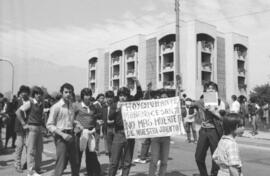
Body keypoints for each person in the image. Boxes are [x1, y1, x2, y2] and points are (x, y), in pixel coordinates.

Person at [46, 83, 83, 176]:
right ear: (61, 93)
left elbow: (69, 120)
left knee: (75, 161)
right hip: (61, 137)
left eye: (70, 92)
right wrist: (62, 134)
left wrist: (77, 124)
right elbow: (49, 124)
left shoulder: (71, 106)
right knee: (61, 162)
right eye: (66, 92)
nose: (68, 94)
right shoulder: (56, 107)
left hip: (71, 135)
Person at [108, 78, 143, 176]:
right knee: (114, 162)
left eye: (124, 95)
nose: (122, 97)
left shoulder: (131, 104)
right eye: (121, 95)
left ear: (128, 96)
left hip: (130, 134)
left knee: (127, 162)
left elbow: (139, 95)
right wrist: (117, 109)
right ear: (118, 96)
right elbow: (110, 117)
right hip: (118, 134)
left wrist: (137, 83)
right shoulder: (115, 105)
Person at [194, 81, 226, 176]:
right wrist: (188, 103)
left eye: (213, 88)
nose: (210, 89)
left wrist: (214, 112)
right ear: (205, 90)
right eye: (208, 88)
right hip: (203, 131)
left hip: (215, 131)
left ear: (216, 91)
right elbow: (191, 103)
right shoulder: (201, 101)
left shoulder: (220, 102)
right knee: (198, 157)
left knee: (215, 157)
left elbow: (224, 118)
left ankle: (214, 174)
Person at [16, 86, 44, 176]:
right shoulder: (30, 103)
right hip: (32, 128)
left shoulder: (41, 103)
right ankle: (30, 171)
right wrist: (23, 124)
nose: (39, 95)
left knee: (39, 150)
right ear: (34, 94)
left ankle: (37, 168)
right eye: (37, 93)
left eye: (40, 94)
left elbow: (41, 117)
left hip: (39, 128)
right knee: (31, 150)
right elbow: (18, 112)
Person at [74, 88, 101, 176]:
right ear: (82, 96)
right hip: (80, 133)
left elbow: (96, 118)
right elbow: (71, 118)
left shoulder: (93, 106)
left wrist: (97, 123)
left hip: (90, 132)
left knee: (91, 154)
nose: (88, 97)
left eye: (89, 94)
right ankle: (75, 173)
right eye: (86, 95)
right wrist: (77, 125)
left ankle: (92, 173)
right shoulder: (76, 106)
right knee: (78, 155)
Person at [148, 89, 171, 176]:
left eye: (165, 97)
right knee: (154, 160)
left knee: (164, 161)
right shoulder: (154, 107)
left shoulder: (172, 108)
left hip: (166, 137)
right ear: (158, 98)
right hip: (155, 137)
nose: (163, 99)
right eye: (162, 97)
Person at [14, 85, 31, 173]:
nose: (24, 93)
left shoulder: (31, 102)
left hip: (28, 127)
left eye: (26, 92)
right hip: (19, 126)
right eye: (22, 92)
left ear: (28, 93)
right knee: (19, 146)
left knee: (28, 146)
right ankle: (17, 164)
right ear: (20, 93)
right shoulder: (17, 101)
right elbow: (15, 113)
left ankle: (27, 163)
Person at [102, 90, 116, 159]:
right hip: (107, 128)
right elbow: (101, 117)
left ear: (113, 98)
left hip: (115, 128)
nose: (109, 99)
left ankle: (119, 164)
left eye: (111, 97)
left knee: (117, 147)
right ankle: (111, 162)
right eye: (108, 97)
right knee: (109, 147)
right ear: (105, 98)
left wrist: (114, 121)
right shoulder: (104, 107)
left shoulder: (116, 106)